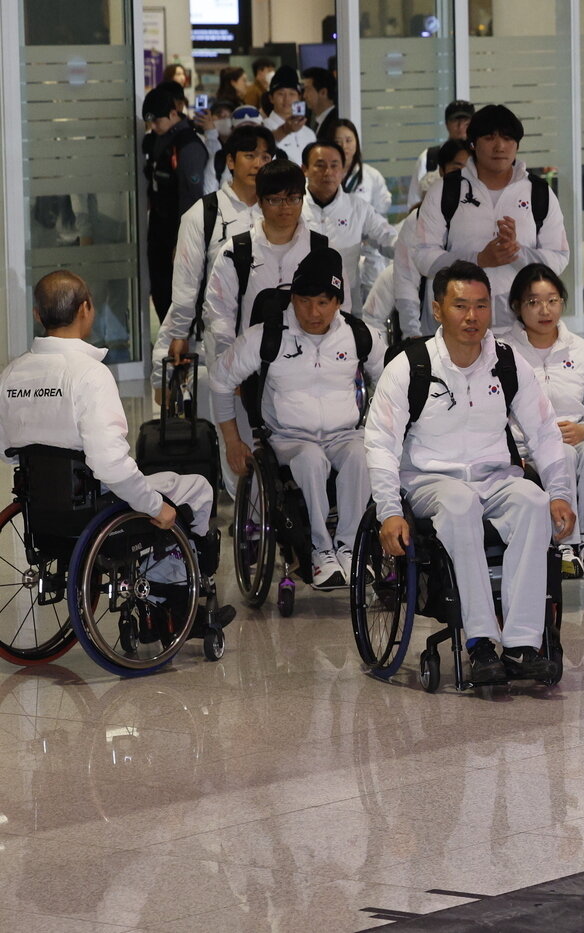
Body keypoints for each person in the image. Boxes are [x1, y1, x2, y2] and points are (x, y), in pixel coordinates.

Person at [363, 261, 576, 684]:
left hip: (495, 479)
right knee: (460, 503)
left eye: (481, 306)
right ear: (438, 310)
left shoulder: (508, 363)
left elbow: (546, 434)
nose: (472, 316)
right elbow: (381, 441)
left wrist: (560, 492)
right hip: (429, 481)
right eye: (461, 306)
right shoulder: (411, 366)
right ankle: (479, 643)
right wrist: (389, 510)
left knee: (533, 502)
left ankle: (521, 644)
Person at [0, 271, 235, 631]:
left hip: (43, 513)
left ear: (37, 314)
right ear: (86, 309)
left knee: (151, 484)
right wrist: (158, 508)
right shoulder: (89, 375)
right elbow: (111, 467)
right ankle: (175, 598)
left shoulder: (12, 374)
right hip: (94, 509)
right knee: (197, 489)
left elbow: (8, 452)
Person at [209, 248, 386, 588]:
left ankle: (349, 549)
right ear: (293, 298)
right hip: (289, 438)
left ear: (338, 302)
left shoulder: (359, 335)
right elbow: (220, 380)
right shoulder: (267, 336)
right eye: (305, 301)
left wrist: (377, 426)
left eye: (323, 302)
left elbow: (390, 381)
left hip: (344, 434)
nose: (313, 312)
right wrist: (233, 440)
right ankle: (320, 550)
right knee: (310, 459)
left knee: (362, 455)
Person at [500, 264, 584, 595]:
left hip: (573, 438)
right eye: (533, 302)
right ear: (517, 307)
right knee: (560, 453)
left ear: (562, 302)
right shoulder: (504, 351)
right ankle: (566, 544)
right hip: (526, 447)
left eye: (552, 300)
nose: (544, 310)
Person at [410, 104, 569, 330]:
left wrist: (517, 252)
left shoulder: (538, 192)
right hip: (459, 327)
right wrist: (479, 259)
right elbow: (423, 257)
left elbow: (560, 257)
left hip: (522, 327)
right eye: (489, 138)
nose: (500, 146)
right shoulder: (445, 191)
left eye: (508, 138)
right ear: (473, 143)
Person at [161, 123, 276, 367]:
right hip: (218, 338)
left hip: (273, 337)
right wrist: (180, 332)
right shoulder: (202, 214)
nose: (258, 164)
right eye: (250, 155)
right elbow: (186, 280)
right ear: (231, 161)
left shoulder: (281, 211)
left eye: (265, 157)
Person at [201, 160, 327, 361]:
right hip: (251, 366)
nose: (285, 207)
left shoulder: (320, 249)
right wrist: (230, 367)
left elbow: (338, 310)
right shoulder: (236, 251)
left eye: (293, 198)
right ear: (259, 200)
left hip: (308, 367)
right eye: (275, 200)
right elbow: (219, 315)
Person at [366, 139, 472, 343]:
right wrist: (412, 336)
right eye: (457, 167)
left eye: (471, 168)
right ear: (442, 171)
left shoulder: (488, 219)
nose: (464, 176)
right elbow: (406, 282)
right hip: (429, 332)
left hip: (479, 329)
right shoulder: (417, 220)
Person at [300, 140, 397, 318]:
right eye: (320, 165)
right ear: (304, 169)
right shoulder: (293, 206)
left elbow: (388, 238)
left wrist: (418, 250)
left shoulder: (358, 208)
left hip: (345, 306)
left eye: (334, 165)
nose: (327, 172)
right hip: (301, 305)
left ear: (343, 170)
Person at [142, 85, 208, 322]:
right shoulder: (158, 140)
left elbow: (191, 196)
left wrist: (183, 240)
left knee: (178, 292)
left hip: (178, 230)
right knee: (160, 289)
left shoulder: (187, 144)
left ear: (173, 114)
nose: (153, 127)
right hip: (159, 227)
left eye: (157, 121)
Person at [332, 120, 392, 303]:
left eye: (349, 140)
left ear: (357, 143)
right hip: (338, 248)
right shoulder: (324, 177)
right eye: (338, 141)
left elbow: (380, 217)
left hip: (369, 251)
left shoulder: (371, 177)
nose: (344, 146)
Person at [408, 100, 474, 208]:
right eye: (455, 120)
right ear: (447, 124)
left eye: (465, 121)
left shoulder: (481, 157)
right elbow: (414, 201)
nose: (460, 126)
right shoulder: (429, 157)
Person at [263, 66, 316, 167]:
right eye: (281, 94)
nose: (287, 99)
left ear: (299, 97)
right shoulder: (262, 127)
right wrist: (285, 130)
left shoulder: (309, 133)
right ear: (271, 98)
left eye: (292, 94)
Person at [301, 67, 338, 136]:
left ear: (323, 92)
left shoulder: (335, 122)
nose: (304, 96)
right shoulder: (311, 119)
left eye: (308, 90)